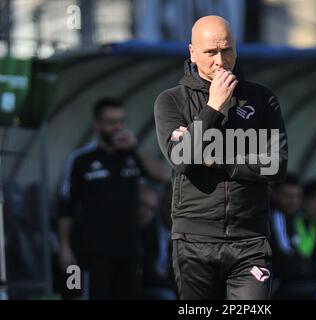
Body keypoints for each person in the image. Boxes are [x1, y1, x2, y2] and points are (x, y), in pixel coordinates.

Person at [154, 15, 288, 300]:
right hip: (194, 240)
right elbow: (182, 160)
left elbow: (276, 164)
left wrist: (212, 158)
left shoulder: (261, 99)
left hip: (249, 239)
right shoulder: (171, 101)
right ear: (192, 52)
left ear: (236, 48)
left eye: (226, 50)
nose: (220, 60)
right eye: (210, 52)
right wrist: (213, 107)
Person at [58, 97, 160, 299]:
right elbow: (65, 205)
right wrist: (64, 247)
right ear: (97, 124)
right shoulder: (81, 160)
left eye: (121, 121)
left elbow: (160, 175)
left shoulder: (132, 156)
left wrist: (135, 147)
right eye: (111, 122)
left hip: (130, 250)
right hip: (91, 251)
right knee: (86, 294)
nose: (117, 127)